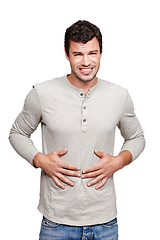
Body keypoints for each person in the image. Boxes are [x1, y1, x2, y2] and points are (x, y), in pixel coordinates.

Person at [9, 20, 145, 240]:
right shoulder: (42, 93)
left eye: (92, 53)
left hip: (104, 222)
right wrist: (40, 160)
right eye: (77, 54)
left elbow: (137, 137)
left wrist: (119, 161)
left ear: (101, 52)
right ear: (66, 54)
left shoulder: (119, 96)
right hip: (56, 222)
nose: (86, 62)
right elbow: (17, 133)